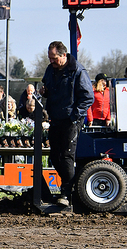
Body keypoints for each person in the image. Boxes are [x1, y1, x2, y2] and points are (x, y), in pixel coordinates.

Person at [40, 41, 94, 207]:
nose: (52, 61)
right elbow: (48, 87)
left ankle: (66, 192)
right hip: (55, 118)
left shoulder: (77, 71)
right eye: (50, 58)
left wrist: (74, 116)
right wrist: (45, 92)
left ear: (63, 55)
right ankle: (70, 185)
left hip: (70, 120)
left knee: (67, 156)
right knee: (55, 157)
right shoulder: (51, 70)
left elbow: (88, 97)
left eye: (54, 58)